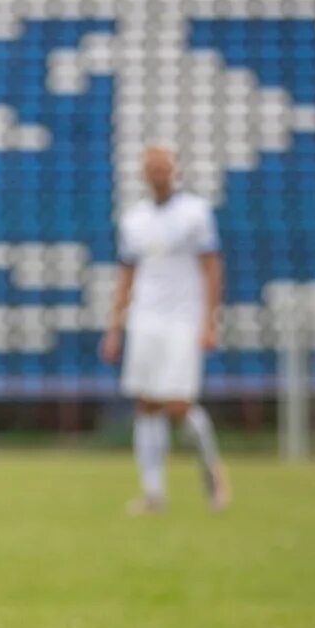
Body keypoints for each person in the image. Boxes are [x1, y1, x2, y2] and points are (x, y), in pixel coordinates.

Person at [100, 145, 231, 514]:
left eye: (163, 167)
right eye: (151, 168)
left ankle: (211, 471)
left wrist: (210, 320)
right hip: (145, 318)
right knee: (146, 403)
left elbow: (211, 267)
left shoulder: (196, 214)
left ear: (174, 170)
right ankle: (154, 492)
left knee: (177, 404)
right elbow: (126, 275)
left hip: (183, 318)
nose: (157, 173)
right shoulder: (134, 220)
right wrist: (115, 327)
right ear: (144, 173)